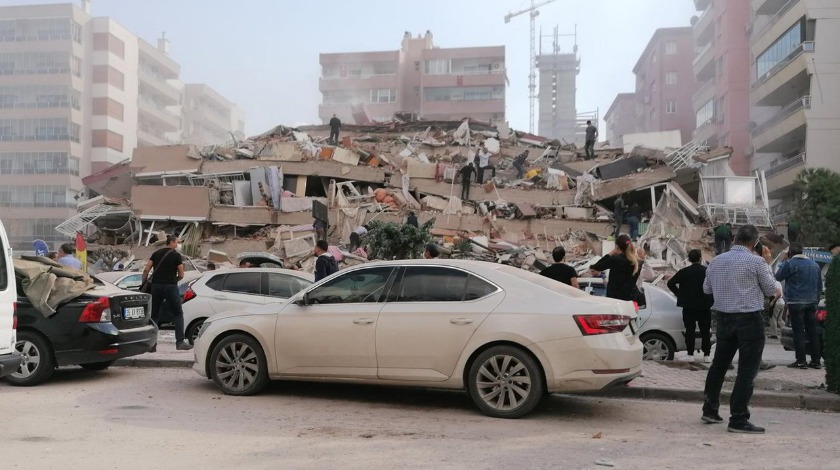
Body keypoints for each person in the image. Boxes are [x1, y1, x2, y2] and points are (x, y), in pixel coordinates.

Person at [701, 224, 780, 434]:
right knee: (747, 369)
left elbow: (706, 288)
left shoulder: (716, 261)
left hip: (723, 318)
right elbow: (772, 289)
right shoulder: (757, 262)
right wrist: (768, 264)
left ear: (735, 240)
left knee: (719, 365)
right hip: (749, 319)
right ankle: (738, 418)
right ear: (754, 243)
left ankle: (710, 409)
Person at [775, 243, 823, 369]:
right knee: (812, 331)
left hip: (796, 302)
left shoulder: (790, 263)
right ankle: (816, 361)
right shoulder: (814, 265)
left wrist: (784, 260)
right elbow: (819, 286)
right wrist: (816, 300)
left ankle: (801, 361)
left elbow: (778, 276)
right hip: (811, 302)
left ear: (790, 253)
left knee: (798, 332)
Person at [143, 236, 192, 351]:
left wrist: (144, 282)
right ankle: (180, 342)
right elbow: (181, 274)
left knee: (154, 315)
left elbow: (146, 269)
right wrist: (174, 281)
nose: (178, 245)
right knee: (178, 314)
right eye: (177, 242)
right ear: (171, 242)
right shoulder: (176, 255)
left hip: (156, 286)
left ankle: (152, 344)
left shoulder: (156, 253)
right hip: (170, 286)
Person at [667, 249, 713, 363]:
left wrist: (679, 294)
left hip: (688, 306)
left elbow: (670, 283)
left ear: (689, 259)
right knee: (705, 331)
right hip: (704, 306)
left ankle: (690, 353)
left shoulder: (684, 271)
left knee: (690, 330)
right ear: (700, 258)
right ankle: (706, 355)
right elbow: (714, 285)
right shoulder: (707, 271)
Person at [590, 234, 640, 302]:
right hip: (631, 299)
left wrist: (611, 253)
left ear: (617, 246)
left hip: (616, 300)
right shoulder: (636, 261)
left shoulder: (616, 260)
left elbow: (596, 266)